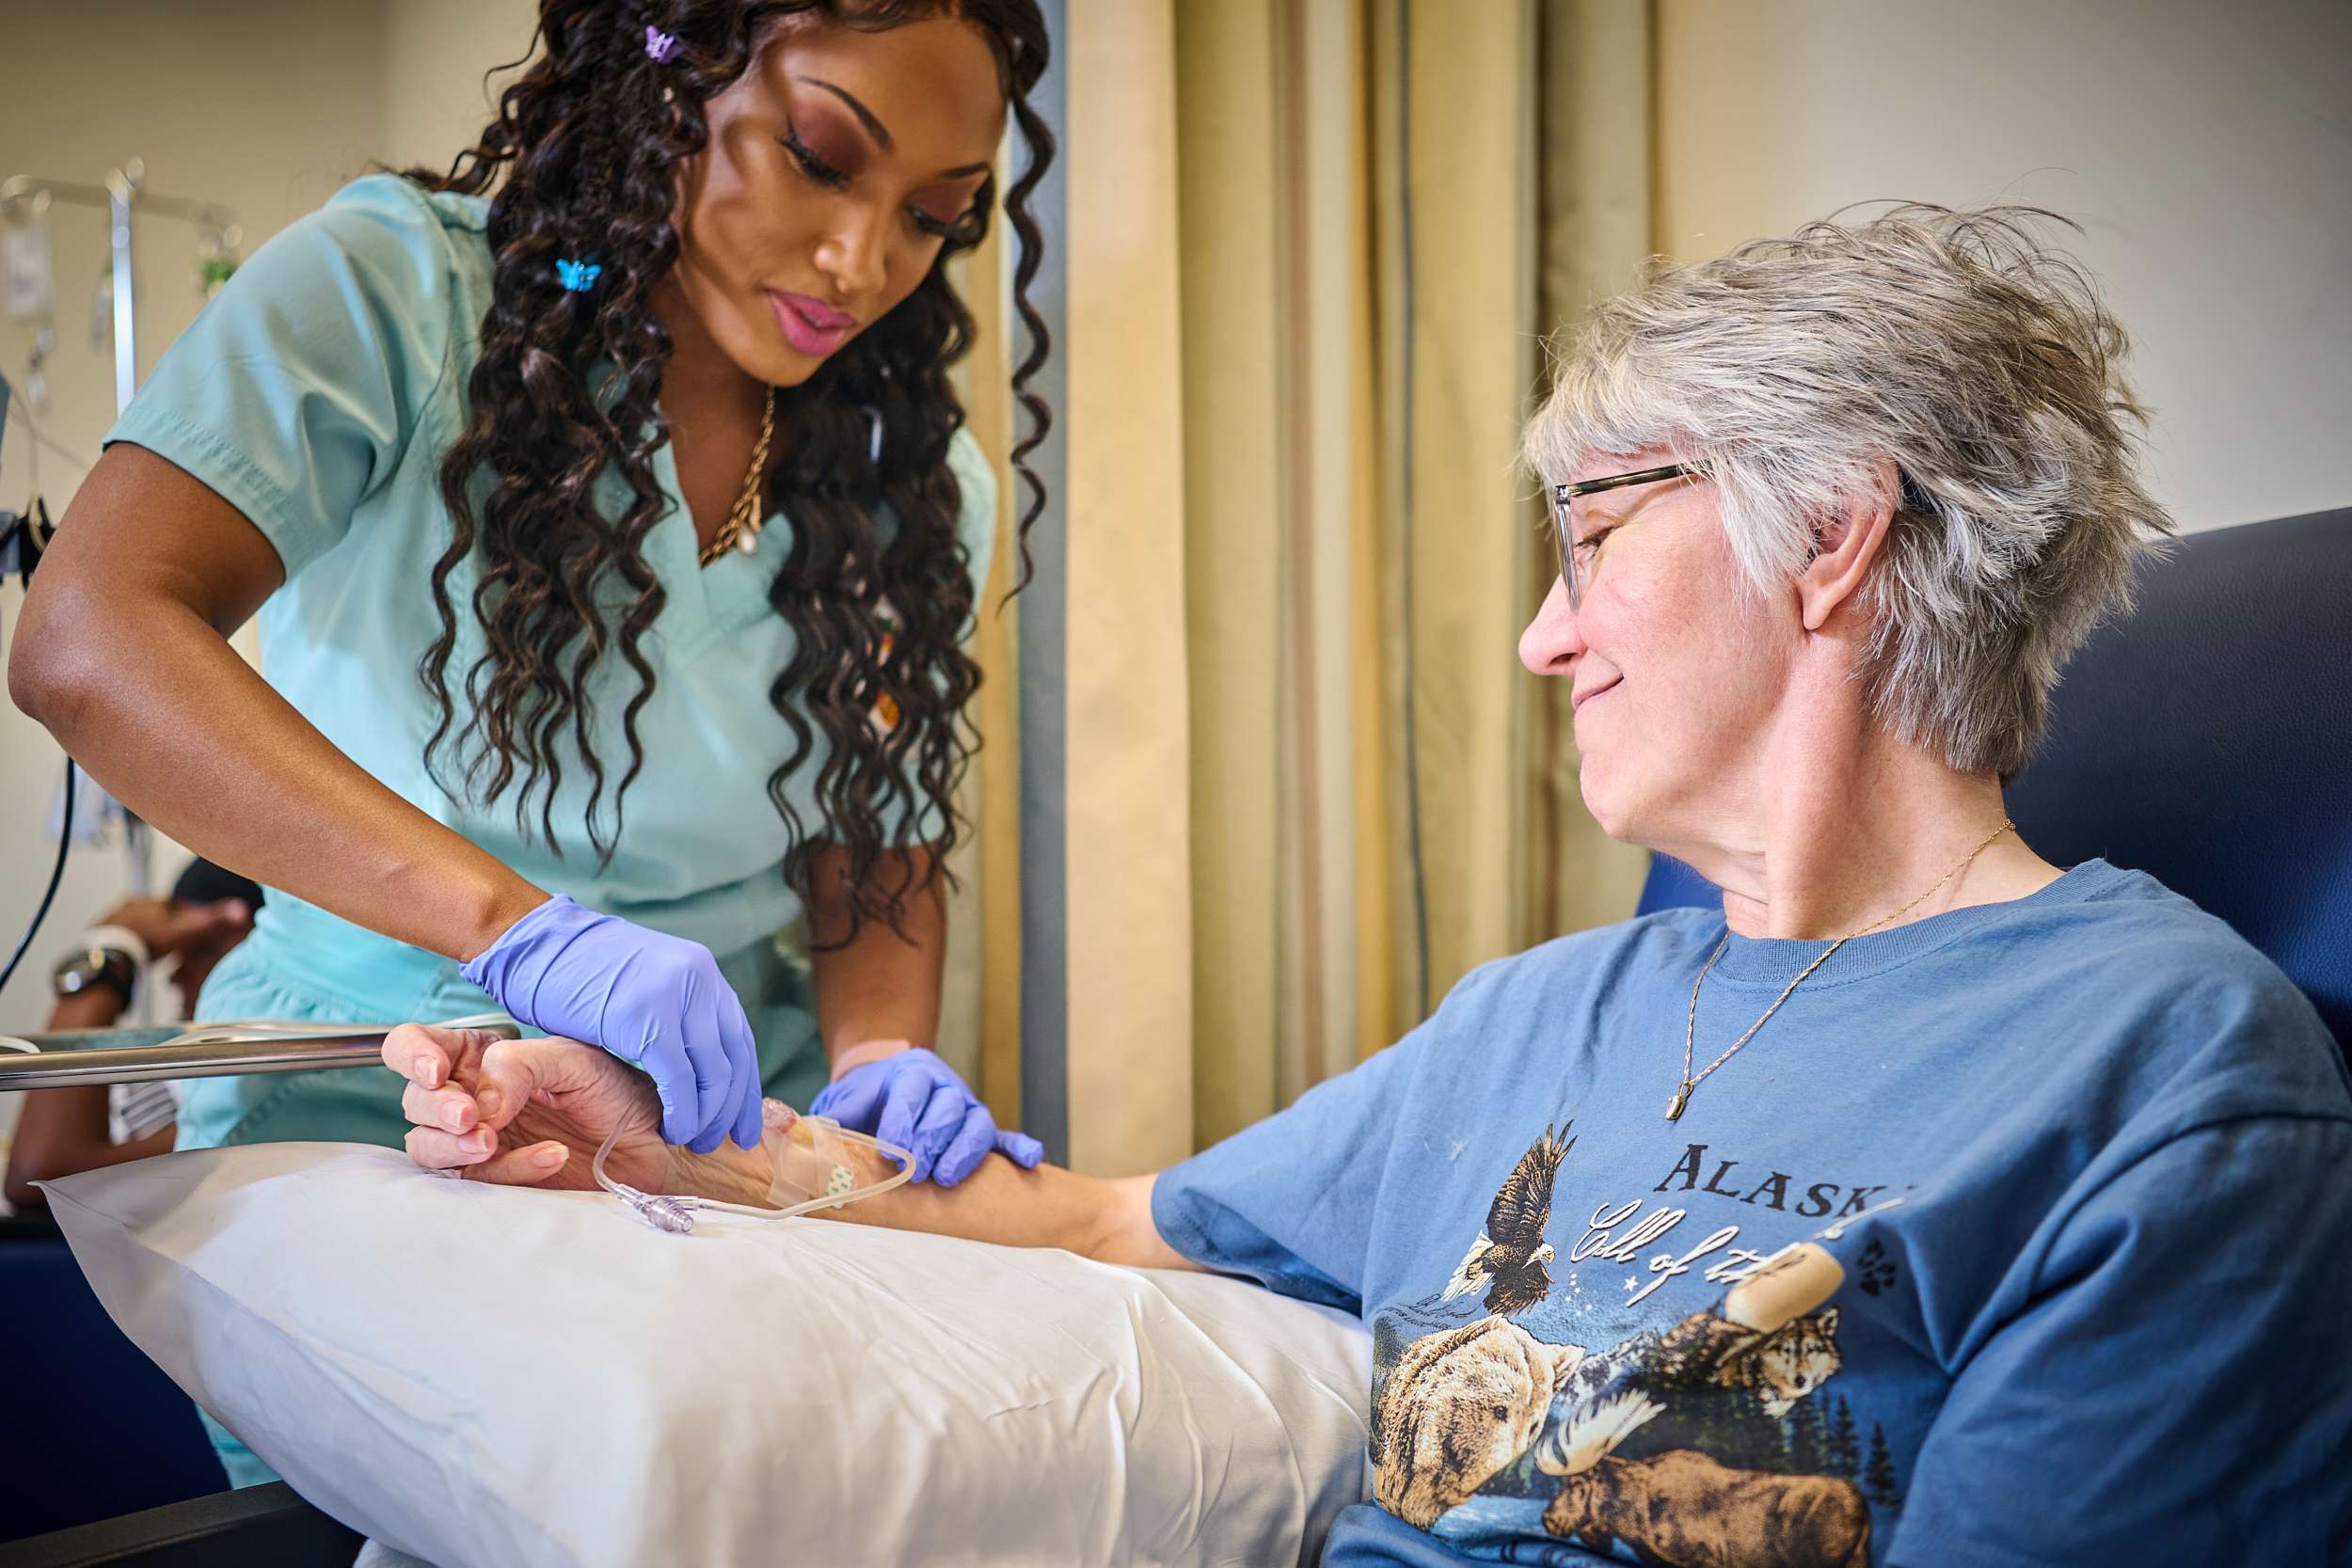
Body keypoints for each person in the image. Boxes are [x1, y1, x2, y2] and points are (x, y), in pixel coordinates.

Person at [389, 206, 2352, 1566]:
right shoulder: (1539, 1014)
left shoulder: (2162, 1070)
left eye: (1583, 535)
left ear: (1830, 533)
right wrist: (677, 1148)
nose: (1536, 634)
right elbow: (1100, 1218)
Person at [8, 0, 1051, 1191]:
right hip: (370, 1085)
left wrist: (882, 1049)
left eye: (933, 215)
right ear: (670, 80)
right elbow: (87, 636)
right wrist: (513, 928)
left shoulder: (910, 482)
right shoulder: (396, 300)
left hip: (717, 1122)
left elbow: (870, 847)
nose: (861, 262)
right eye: (818, 159)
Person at [2, 859, 262, 1212]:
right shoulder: (180, 1064)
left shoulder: (267, 1086)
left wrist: (111, 951)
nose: (175, 976)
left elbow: (42, 1178)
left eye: (200, 951)